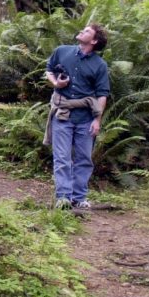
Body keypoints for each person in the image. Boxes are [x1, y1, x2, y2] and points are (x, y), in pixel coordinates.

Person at [43, 23, 110, 211]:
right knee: (62, 157)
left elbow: (102, 94)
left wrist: (97, 120)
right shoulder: (62, 51)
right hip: (62, 114)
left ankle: (79, 198)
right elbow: (49, 70)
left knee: (83, 159)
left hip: (86, 117)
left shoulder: (100, 65)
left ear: (94, 41)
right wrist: (56, 82)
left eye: (87, 31)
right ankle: (63, 197)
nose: (82, 31)